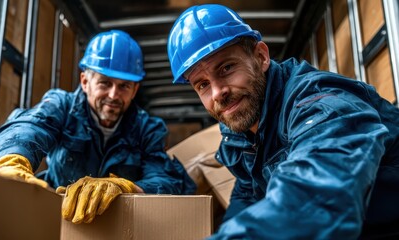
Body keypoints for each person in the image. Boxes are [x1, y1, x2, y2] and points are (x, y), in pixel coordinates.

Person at [167, 4, 399, 239]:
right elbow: (246, 194)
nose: (217, 93)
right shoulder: (238, 136)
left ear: (261, 57)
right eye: (203, 84)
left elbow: (317, 196)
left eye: (226, 68)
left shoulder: (319, 102)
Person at [0, 29, 195, 224]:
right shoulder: (62, 105)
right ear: (85, 81)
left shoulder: (147, 129)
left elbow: (165, 180)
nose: (114, 95)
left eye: (124, 86)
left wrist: (125, 187)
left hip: (118, 225)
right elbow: (30, 126)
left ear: (135, 90)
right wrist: (11, 161)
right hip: (58, 219)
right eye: (105, 83)